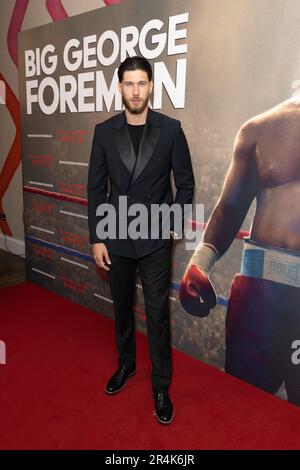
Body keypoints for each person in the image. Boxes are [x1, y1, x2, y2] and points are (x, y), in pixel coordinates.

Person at [88, 56, 194, 423]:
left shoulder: (170, 129)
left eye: (141, 83)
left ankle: (161, 385)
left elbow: (185, 183)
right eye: (128, 84)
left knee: (157, 313)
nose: (135, 91)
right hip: (116, 235)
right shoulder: (103, 131)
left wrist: (171, 223)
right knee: (120, 308)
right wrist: (97, 237)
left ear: (151, 86)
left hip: (153, 239)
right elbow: (95, 187)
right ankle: (126, 365)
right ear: (119, 87)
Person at [179, 98, 300, 406]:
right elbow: (228, 209)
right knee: (241, 404)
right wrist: (199, 263)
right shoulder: (260, 129)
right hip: (261, 295)